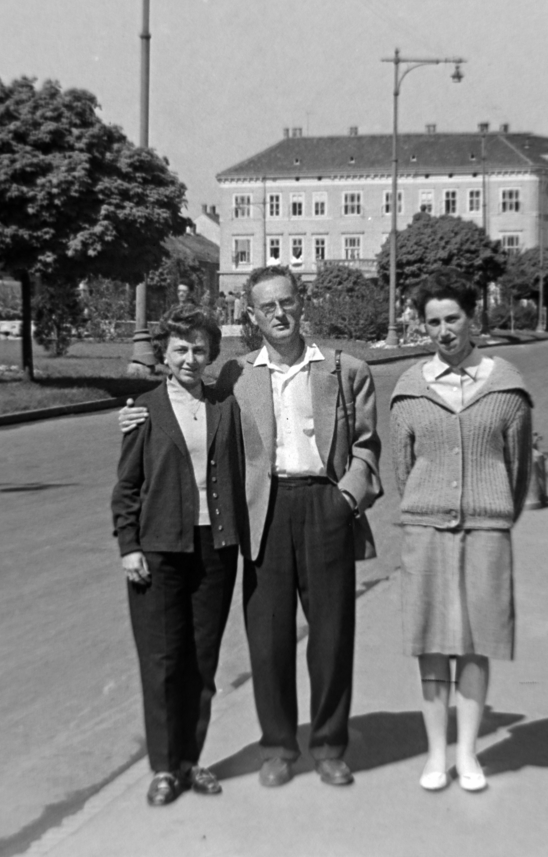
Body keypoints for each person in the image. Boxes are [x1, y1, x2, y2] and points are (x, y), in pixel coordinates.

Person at [119, 264, 381, 788]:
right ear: (252, 315)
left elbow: (367, 446)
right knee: (268, 640)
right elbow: (185, 401)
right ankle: (280, 746)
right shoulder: (236, 376)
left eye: (286, 302)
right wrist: (133, 417)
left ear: (301, 302)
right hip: (262, 512)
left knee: (331, 636)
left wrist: (345, 498)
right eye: (267, 307)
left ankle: (329, 745)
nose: (279, 314)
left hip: (324, 506)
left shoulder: (344, 369)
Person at [390, 268, 533, 793]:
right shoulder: (409, 388)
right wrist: (428, 506)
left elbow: (517, 472)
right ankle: (436, 755)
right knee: (432, 642)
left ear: (473, 319)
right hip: (425, 529)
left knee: (476, 642)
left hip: (486, 529)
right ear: (422, 327)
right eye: (433, 322)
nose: (444, 330)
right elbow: (402, 471)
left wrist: (489, 510)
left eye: (453, 318)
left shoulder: (507, 385)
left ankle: (469, 754)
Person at [110, 306, 246, 806]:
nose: (191, 358)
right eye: (180, 350)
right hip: (159, 550)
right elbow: (126, 488)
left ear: (212, 354)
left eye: (200, 349)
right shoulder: (143, 409)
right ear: (164, 356)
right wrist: (129, 546)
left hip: (216, 548)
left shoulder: (224, 405)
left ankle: (192, 759)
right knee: (163, 661)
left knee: (202, 661)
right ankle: (165, 768)